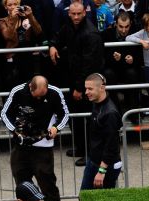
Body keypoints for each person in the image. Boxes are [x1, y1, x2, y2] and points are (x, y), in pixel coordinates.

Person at [1, 75, 70, 201]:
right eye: (37, 95)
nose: (39, 98)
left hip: (43, 148)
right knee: (23, 187)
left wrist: (56, 127)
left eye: (43, 95)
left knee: (48, 186)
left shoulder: (55, 92)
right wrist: (15, 131)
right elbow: (4, 114)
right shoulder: (18, 91)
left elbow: (64, 114)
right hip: (21, 148)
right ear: (30, 87)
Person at [50, 0, 105, 167]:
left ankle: (91, 154)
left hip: (87, 83)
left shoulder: (91, 33)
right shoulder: (69, 26)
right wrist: (53, 46)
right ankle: (81, 148)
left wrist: (80, 88)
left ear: (84, 13)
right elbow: (58, 37)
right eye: (73, 14)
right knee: (76, 118)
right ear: (68, 13)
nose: (75, 17)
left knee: (88, 120)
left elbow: (90, 64)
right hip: (74, 79)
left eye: (78, 14)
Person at [81, 73, 123, 190]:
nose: (86, 92)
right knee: (85, 197)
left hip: (104, 166)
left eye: (90, 89)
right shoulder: (96, 103)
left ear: (102, 88)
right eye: (86, 89)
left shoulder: (110, 113)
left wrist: (101, 171)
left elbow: (111, 144)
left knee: (100, 200)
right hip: (94, 161)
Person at [102, 11, 142, 113]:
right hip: (113, 69)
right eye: (121, 26)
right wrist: (113, 58)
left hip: (130, 70)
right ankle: (115, 111)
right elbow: (103, 57)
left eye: (126, 26)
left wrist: (133, 59)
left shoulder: (136, 34)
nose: (124, 30)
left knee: (132, 73)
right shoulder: (107, 34)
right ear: (115, 24)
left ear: (131, 24)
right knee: (108, 74)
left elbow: (141, 57)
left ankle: (134, 112)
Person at [0, 1, 43, 90]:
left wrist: (30, 16)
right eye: (10, 5)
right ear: (5, 7)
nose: (13, 7)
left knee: (28, 85)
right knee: (14, 85)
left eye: (15, 4)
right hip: (13, 57)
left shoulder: (26, 18)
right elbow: (8, 36)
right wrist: (13, 19)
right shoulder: (3, 21)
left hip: (27, 56)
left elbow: (38, 32)